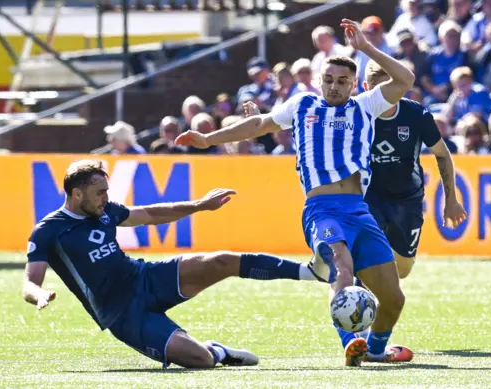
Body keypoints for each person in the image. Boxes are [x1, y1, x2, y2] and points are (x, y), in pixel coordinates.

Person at [176, 18, 416, 367]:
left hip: (358, 210)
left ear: (353, 84)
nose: (334, 86)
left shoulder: (365, 106)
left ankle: (376, 348)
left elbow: (406, 79)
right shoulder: (302, 105)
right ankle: (352, 343)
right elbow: (259, 124)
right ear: (320, 81)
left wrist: (364, 47)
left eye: (342, 81)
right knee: (342, 266)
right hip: (323, 209)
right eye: (329, 80)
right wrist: (208, 139)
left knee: (393, 298)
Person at [22, 160, 329, 369]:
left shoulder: (106, 211)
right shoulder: (49, 231)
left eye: (106, 191)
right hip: (123, 315)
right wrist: (40, 294)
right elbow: (29, 282)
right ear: (76, 194)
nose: (106, 198)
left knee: (221, 260)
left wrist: (200, 205)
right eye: (99, 193)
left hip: (144, 277)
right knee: (202, 361)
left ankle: (310, 271)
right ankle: (217, 350)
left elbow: (152, 215)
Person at [360, 60, 467, 281]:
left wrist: (451, 200)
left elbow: (442, 154)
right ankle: (357, 303)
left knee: (403, 269)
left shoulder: (416, 114)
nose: (385, 97)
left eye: (390, 88)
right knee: (369, 252)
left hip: (406, 198)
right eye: (378, 91)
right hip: (368, 195)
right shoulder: (356, 114)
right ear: (365, 89)